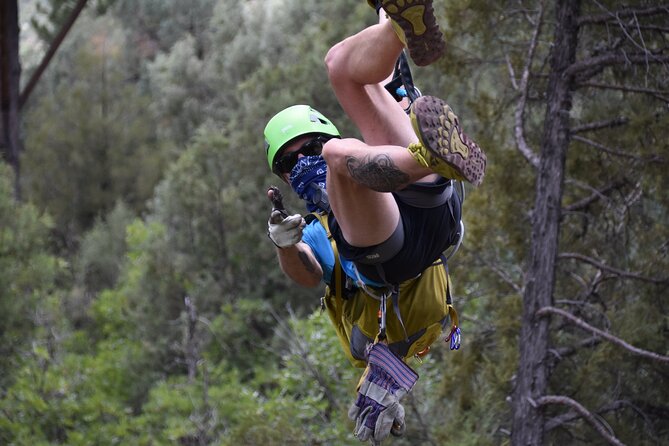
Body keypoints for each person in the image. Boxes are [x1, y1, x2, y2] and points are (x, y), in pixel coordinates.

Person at [263, 1, 486, 443]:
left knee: (342, 67)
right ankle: (431, 157)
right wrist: (285, 243)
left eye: (310, 147)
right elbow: (308, 272)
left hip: (422, 199)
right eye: (291, 161)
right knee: (341, 156)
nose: (303, 161)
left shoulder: (366, 158)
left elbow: (384, 80)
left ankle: (400, 21)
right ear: (284, 178)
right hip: (397, 255)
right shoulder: (316, 229)